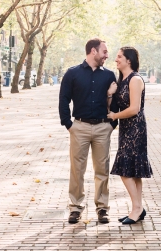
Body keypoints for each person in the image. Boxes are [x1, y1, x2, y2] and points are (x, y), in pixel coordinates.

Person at [58, 38, 118, 224]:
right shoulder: (72, 73)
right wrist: (69, 124)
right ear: (93, 51)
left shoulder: (109, 75)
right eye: (104, 52)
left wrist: (111, 125)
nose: (107, 56)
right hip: (80, 127)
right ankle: (75, 208)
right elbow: (63, 99)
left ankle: (102, 208)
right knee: (77, 169)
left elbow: (114, 103)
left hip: (102, 127)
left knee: (102, 170)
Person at [108, 46, 152, 225]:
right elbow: (115, 107)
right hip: (126, 129)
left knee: (125, 170)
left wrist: (114, 116)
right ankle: (137, 209)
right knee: (133, 171)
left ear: (129, 60)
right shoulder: (122, 80)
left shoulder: (135, 80)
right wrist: (110, 94)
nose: (116, 59)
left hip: (136, 129)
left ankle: (137, 208)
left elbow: (134, 109)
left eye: (119, 57)